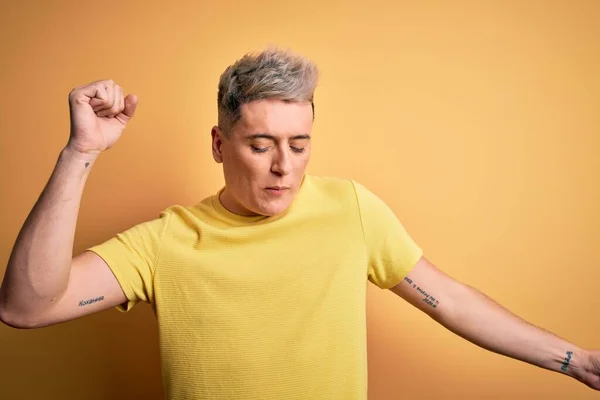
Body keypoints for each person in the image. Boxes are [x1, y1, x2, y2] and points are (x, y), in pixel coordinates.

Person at [0, 47, 598, 399]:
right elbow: (26, 306)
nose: (285, 167)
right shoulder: (165, 240)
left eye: (300, 143)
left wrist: (576, 361)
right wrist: (81, 152)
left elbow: (450, 301)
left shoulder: (351, 210)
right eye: (260, 145)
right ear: (218, 143)